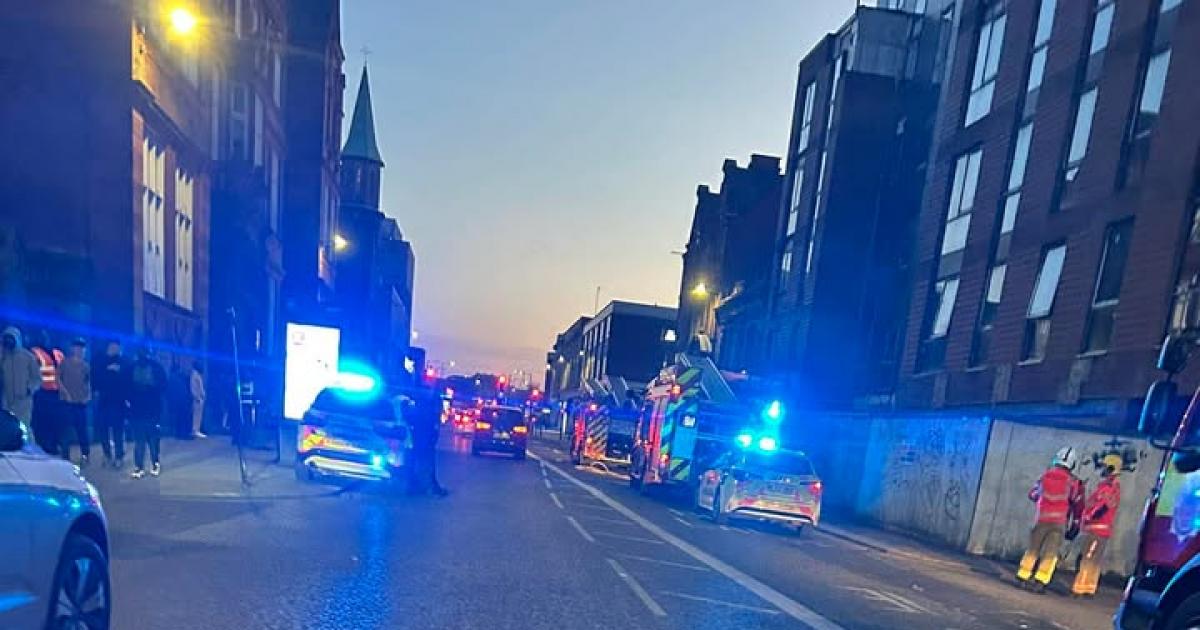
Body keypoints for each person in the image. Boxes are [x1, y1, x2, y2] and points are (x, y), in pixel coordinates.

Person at [1017, 446, 1085, 591]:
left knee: (1033, 549)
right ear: (1073, 464)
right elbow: (1078, 504)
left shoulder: (1045, 476)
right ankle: (1040, 582)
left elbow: (1033, 494)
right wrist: (1075, 524)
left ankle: (1023, 575)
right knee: (1050, 553)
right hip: (1059, 523)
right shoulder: (1074, 482)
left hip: (1041, 519)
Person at [1072, 453, 1123, 596]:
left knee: (1087, 559)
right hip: (1102, 531)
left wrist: (1088, 517)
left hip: (1096, 530)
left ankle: (1079, 588)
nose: (1103, 469)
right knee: (1094, 560)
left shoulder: (1108, 488)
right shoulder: (1114, 487)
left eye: (1106, 467)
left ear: (1111, 468)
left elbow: (1101, 507)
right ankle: (1089, 588)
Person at [127, 347, 167, 479]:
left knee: (153, 440)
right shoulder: (132, 367)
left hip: (152, 410)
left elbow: (163, 386)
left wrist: (152, 387)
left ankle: (155, 464)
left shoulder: (156, 368)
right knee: (139, 441)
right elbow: (126, 387)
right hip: (137, 410)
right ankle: (139, 466)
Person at [93, 339, 129, 468]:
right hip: (104, 401)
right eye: (113, 347)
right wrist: (106, 369)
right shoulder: (100, 361)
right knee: (103, 429)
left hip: (118, 402)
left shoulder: (124, 362)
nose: (115, 349)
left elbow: (127, 380)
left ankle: (119, 456)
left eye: (117, 347)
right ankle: (107, 455)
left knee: (118, 430)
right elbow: (95, 378)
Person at [407, 387, 448, 497]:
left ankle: (416, 484)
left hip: (420, 431)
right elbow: (436, 417)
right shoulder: (432, 399)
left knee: (417, 458)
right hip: (425, 431)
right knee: (426, 460)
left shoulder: (418, 397)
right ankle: (428, 486)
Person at [57, 338, 91, 464]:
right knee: (66, 430)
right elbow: (58, 379)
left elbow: (88, 383)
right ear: (72, 349)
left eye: (82, 348)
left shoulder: (86, 366)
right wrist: (65, 393)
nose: (79, 351)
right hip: (67, 403)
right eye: (77, 348)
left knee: (82, 430)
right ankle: (65, 455)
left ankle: (85, 455)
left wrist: (88, 396)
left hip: (80, 403)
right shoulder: (65, 363)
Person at [28, 331, 64, 454]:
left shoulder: (58, 353)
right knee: (43, 423)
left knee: (55, 423)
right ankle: (46, 447)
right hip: (41, 393)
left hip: (56, 394)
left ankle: (53, 446)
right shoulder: (33, 352)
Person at [0, 326, 39, 434]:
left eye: (11, 338)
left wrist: (29, 389)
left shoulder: (28, 357)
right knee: (8, 428)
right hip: (6, 401)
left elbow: (37, 378)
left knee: (24, 427)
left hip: (23, 401)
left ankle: (26, 448)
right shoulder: (3, 357)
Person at [190, 364, 207, 438]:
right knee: (197, 415)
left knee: (198, 415)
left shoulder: (196, 375)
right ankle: (195, 430)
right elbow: (194, 388)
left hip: (199, 398)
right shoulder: (195, 376)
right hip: (198, 398)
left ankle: (196, 430)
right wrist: (197, 397)